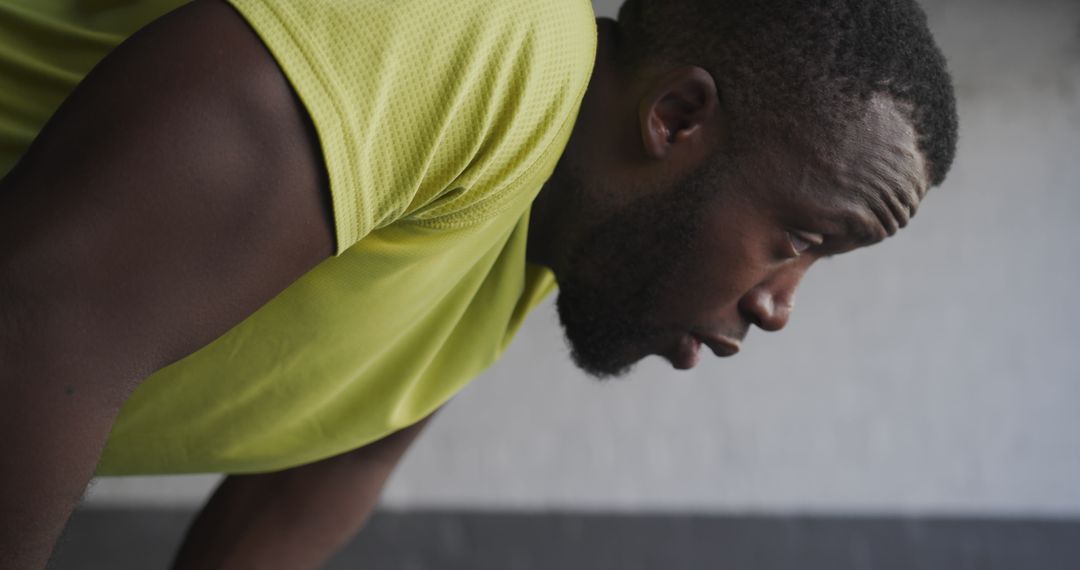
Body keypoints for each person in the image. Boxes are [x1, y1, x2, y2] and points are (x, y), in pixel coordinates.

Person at [0, 0, 957, 566]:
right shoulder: (494, 38)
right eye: (799, 237)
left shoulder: (532, 244)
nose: (781, 307)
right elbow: (40, 325)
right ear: (676, 116)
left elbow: (320, 479)